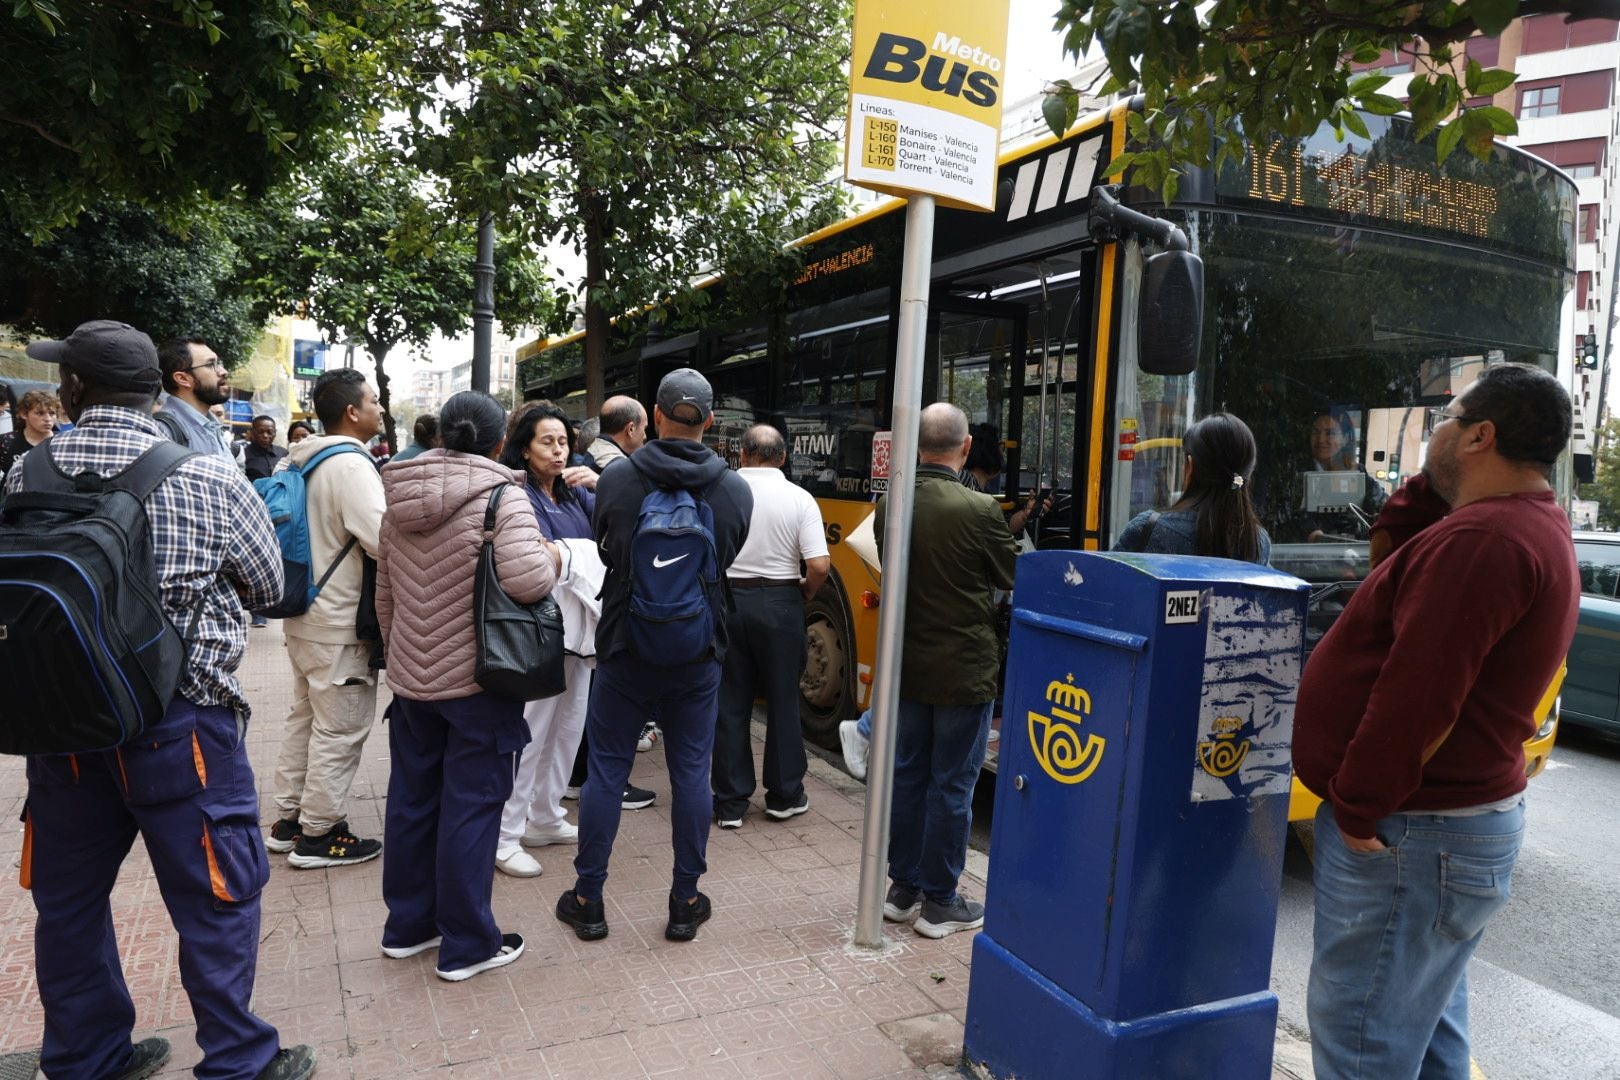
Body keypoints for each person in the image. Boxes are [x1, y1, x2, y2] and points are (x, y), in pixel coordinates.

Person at [8, 320, 313, 1080]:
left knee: (69, 900)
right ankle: (238, 1061)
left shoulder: (26, 472)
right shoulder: (205, 473)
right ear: (156, 386)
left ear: (74, 388)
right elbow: (271, 588)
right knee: (215, 897)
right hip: (181, 725)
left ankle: (86, 1057)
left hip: (63, 723)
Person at [1293, 364, 1580, 1080]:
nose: (1435, 432)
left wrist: (1359, 806)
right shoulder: (1512, 522)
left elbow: (1418, 694)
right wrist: (1436, 473)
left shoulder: (1484, 541)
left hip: (1411, 832)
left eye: (1446, 421)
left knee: (1362, 1042)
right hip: (1441, 831)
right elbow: (1398, 535)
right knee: (1423, 1035)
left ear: (1481, 435)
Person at [555, 368, 752, 945]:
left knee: (608, 769)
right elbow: (727, 558)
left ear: (655, 416)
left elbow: (607, 548)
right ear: (711, 421)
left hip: (625, 643)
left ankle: (588, 898)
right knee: (691, 771)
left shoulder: (617, 480)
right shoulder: (732, 488)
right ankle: (685, 901)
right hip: (697, 649)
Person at [375, 390, 561, 982]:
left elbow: (385, 596)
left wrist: (403, 657)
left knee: (411, 802)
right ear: (499, 442)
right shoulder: (504, 496)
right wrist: (556, 554)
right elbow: (530, 582)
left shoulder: (396, 495)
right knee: (472, 808)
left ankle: (408, 928)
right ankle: (466, 944)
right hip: (480, 681)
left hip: (411, 679)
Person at [874, 403, 1017, 939]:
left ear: (916, 447)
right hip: (964, 668)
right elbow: (1012, 573)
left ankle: (902, 887)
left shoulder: (893, 501)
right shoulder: (979, 509)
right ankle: (941, 901)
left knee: (909, 774)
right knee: (952, 784)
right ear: (964, 449)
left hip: (907, 665)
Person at [266, 369, 389, 869]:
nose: (381, 408)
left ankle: (288, 820)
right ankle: (320, 835)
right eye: (375, 401)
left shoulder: (301, 460)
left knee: (307, 719)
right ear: (352, 412)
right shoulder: (351, 467)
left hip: (303, 613)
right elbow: (383, 540)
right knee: (340, 729)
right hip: (339, 621)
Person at [491, 403, 598, 877]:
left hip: (581, 631)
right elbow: (536, 555)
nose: (558, 451)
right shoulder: (518, 494)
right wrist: (578, 556)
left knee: (569, 726)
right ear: (525, 448)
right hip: (539, 627)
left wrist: (599, 483)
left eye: (563, 442)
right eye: (547, 442)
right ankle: (505, 834)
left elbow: (607, 534)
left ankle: (546, 814)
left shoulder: (576, 493)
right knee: (531, 732)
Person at [711, 423, 830, 829]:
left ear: (741, 455)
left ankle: (729, 802)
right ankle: (783, 795)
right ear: (783, 458)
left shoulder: (721, 491)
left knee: (729, 702)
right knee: (783, 700)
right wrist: (807, 593)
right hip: (781, 602)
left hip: (727, 600)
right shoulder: (800, 498)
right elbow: (818, 565)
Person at [1114, 413, 1272, 564]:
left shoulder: (1146, 529)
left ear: (1190, 465)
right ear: (1246, 476)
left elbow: (1103, 583)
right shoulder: (1257, 544)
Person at [1300, 409, 1385, 541]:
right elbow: (1293, 516)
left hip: (1355, 552)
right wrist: (1314, 533)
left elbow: (1380, 502)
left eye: (1329, 433)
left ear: (1345, 439)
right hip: (1303, 554)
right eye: (1315, 432)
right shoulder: (1297, 471)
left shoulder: (1356, 471)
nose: (1321, 440)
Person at [154, 337, 235, 459]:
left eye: (218, 363)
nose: (223, 372)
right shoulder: (165, 431)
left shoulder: (212, 427)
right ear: (183, 379)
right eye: (210, 364)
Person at [0, 388, 58, 478]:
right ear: (24, 414)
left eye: (52, 413)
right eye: (40, 413)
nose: (48, 419)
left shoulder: (63, 441)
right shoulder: (6, 441)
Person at [586, 394, 648, 470]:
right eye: (644, 429)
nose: (645, 436)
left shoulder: (593, 451)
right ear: (630, 429)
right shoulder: (621, 468)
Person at [243, 415, 289, 481]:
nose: (265, 436)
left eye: (269, 432)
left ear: (275, 433)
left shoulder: (283, 453)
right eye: (260, 432)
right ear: (252, 432)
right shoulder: (243, 455)